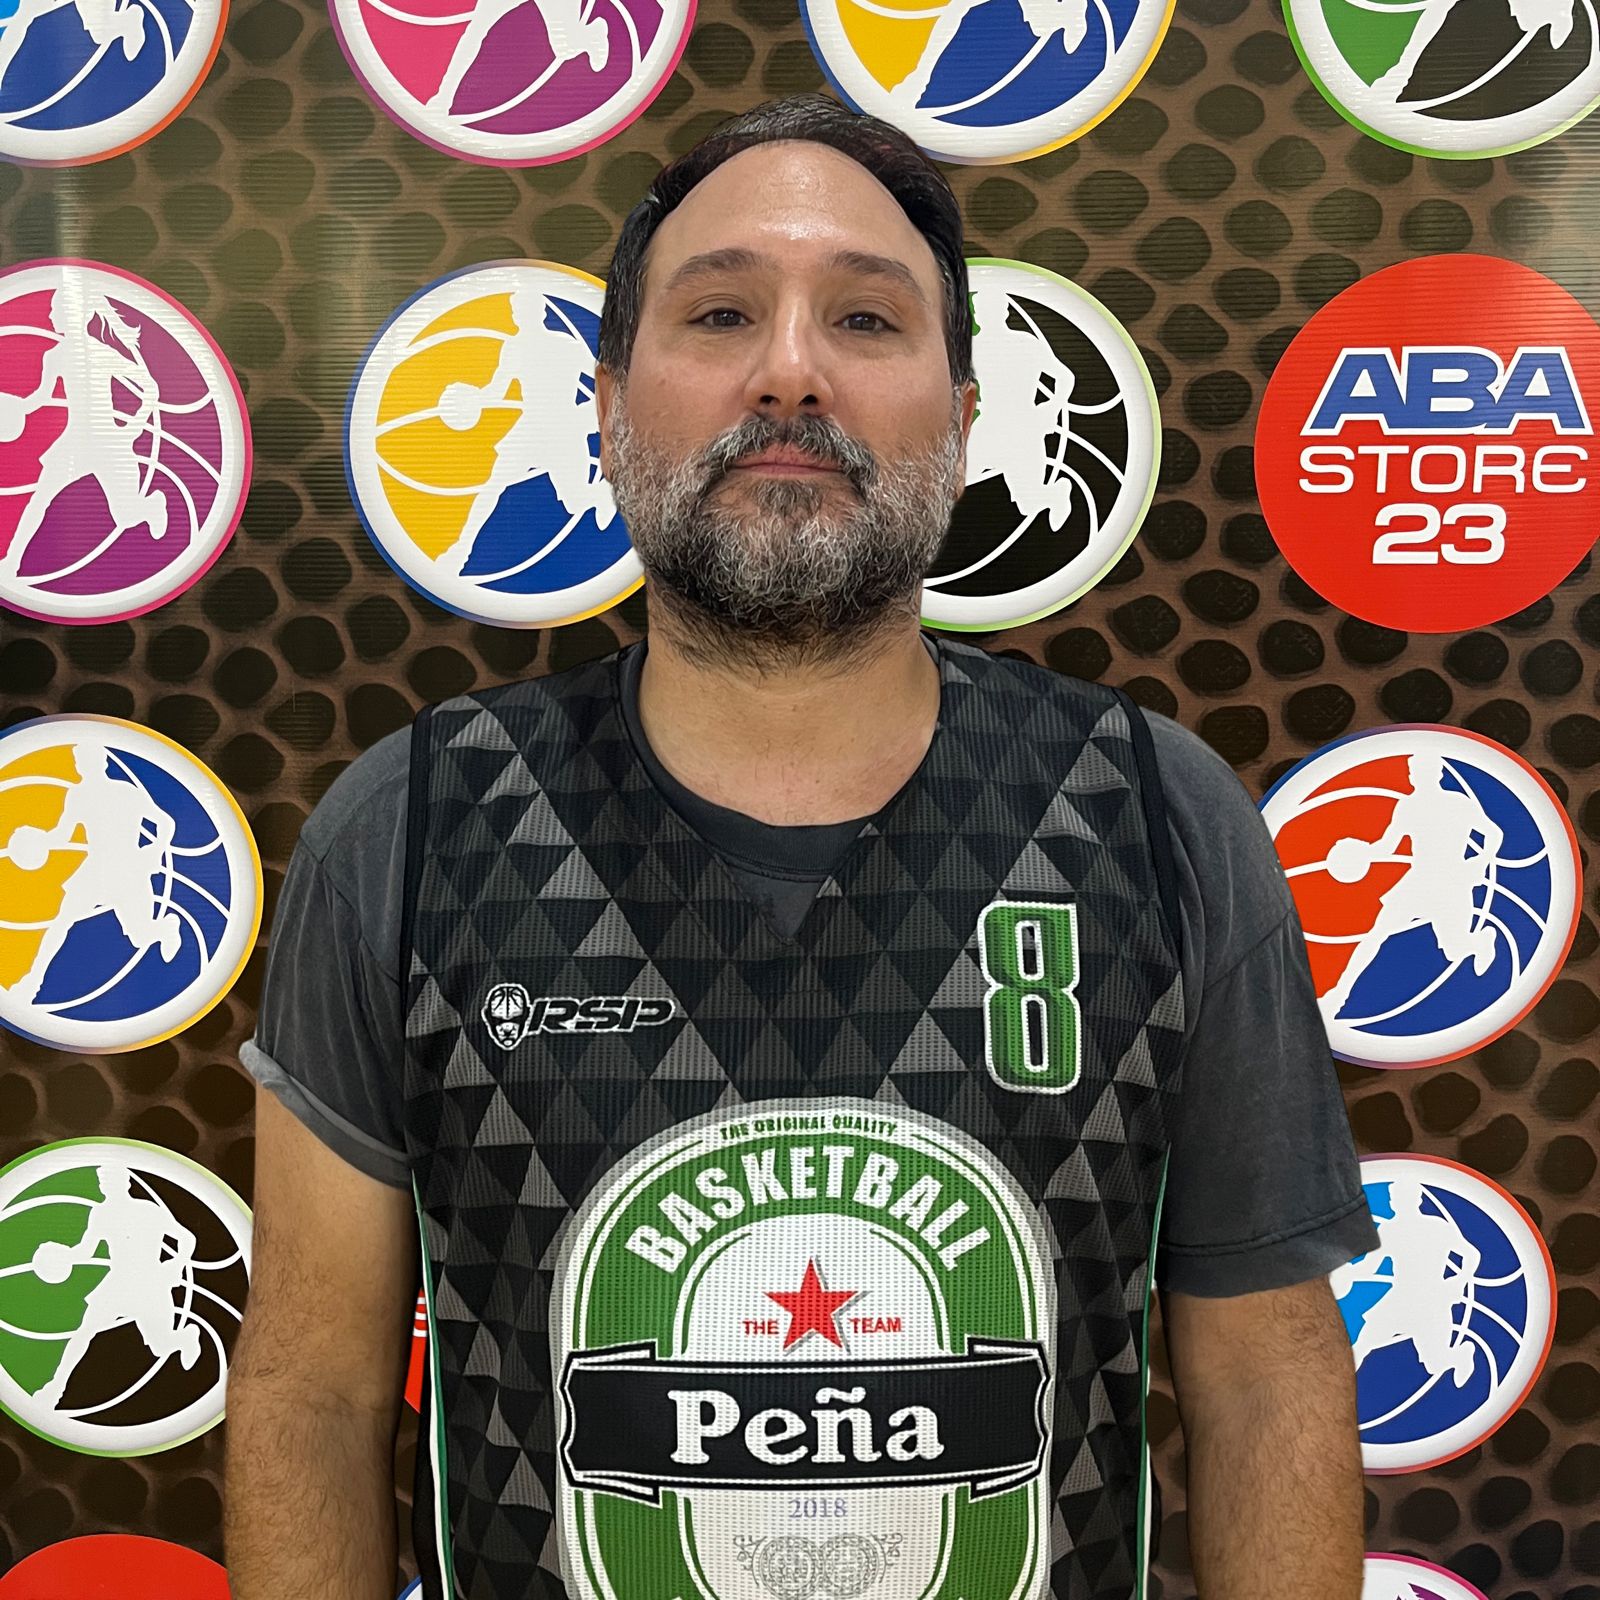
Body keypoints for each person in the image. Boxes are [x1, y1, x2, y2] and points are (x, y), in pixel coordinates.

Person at [226, 93, 1377, 1600]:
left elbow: (1268, 1381)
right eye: (719, 313)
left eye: (866, 319)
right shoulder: (415, 823)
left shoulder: (1158, 814)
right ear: (608, 407)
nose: (789, 370)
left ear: (963, 418)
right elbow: (312, 1395)